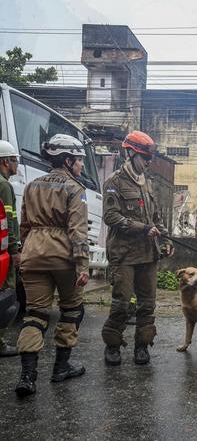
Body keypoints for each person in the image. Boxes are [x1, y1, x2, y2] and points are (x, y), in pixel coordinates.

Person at [14, 134, 90, 397]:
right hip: (63, 258)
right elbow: (78, 232)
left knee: (35, 314)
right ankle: (61, 367)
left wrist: (24, 252)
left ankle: (27, 376)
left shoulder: (32, 186)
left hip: (32, 254)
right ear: (67, 161)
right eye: (79, 160)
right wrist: (82, 266)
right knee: (71, 310)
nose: (81, 166)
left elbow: (24, 226)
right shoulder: (74, 188)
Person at [101, 131, 173, 366]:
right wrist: (142, 228)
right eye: (144, 157)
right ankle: (113, 346)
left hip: (147, 254)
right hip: (124, 254)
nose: (148, 162)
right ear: (130, 153)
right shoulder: (115, 182)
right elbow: (111, 216)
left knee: (147, 304)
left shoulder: (147, 184)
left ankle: (142, 346)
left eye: (150, 158)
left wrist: (166, 240)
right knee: (121, 302)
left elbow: (156, 217)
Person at [0, 141, 20, 357]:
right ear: (6, 162)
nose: (17, 165)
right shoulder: (4, 186)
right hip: (4, 250)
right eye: (15, 160)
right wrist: (15, 250)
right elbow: (8, 221)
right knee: (7, 293)